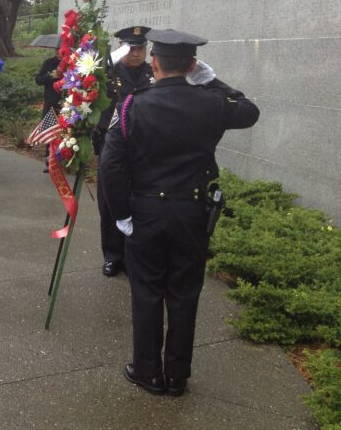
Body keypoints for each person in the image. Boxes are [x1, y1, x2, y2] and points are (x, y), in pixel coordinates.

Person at [99, 29, 260, 397]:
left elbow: (111, 166)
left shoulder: (130, 106)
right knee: (185, 293)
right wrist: (212, 80)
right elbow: (250, 111)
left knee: (147, 292)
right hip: (192, 212)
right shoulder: (212, 102)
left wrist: (120, 214)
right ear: (191, 65)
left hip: (145, 212)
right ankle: (177, 375)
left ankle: (146, 371)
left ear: (153, 63)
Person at [92, 26, 154, 277]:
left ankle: (132, 256)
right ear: (121, 48)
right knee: (110, 202)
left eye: (140, 48)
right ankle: (112, 255)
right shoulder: (107, 74)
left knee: (138, 202)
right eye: (130, 48)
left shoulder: (153, 73)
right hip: (113, 145)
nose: (136, 54)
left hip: (143, 147)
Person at [34, 47, 63, 173]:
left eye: (62, 50)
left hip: (68, 102)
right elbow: (39, 80)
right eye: (57, 50)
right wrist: (52, 75)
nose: (59, 52)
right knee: (51, 132)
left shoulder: (72, 63)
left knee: (67, 132)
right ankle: (49, 160)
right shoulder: (49, 63)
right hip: (51, 102)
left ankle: (65, 161)